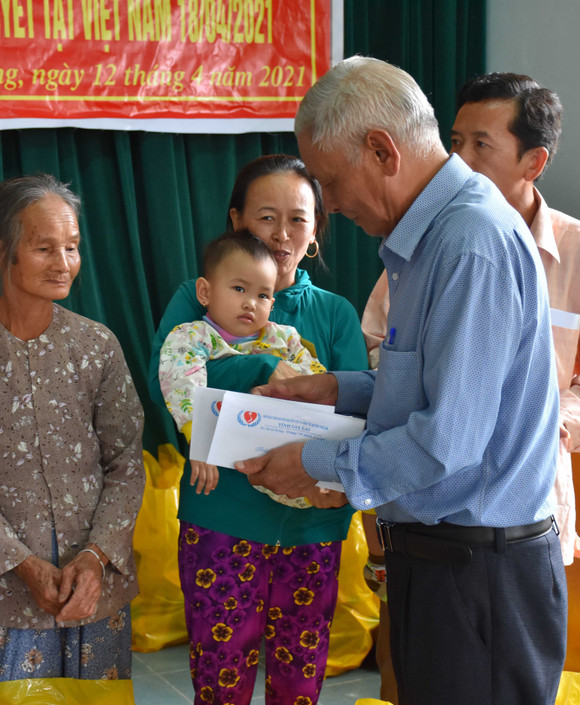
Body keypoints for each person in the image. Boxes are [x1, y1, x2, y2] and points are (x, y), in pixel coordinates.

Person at [236, 56, 567, 705]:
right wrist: (337, 389)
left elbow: (447, 440)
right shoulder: (428, 239)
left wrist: (313, 463)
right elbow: (431, 388)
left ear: (382, 150)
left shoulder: (469, 242)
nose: (330, 205)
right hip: (441, 562)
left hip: (480, 576)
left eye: (330, 182)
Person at [361, 71, 580, 703]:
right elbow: (384, 348)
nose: (458, 159)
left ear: (533, 161)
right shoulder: (427, 242)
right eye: (454, 140)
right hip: (430, 517)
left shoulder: (574, 252)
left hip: (522, 509)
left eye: (481, 145)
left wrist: (548, 408)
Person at [147, 154, 368, 705]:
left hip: (312, 525)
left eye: (298, 218)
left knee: (299, 682)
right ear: (236, 219)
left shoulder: (335, 313)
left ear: (316, 229)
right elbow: (172, 381)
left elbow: (354, 412)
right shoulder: (195, 297)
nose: (282, 234)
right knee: (221, 681)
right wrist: (266, 370)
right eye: (266, 217)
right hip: (221, 514)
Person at [0, 174, 145, 694]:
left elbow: (125, 462)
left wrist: (95, 558)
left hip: (96, 589)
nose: (63, 262)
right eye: (44, 247)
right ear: (0, 250)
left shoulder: (97, 345)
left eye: (72, 247)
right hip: (2, 593)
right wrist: (22, 565)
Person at [158, 228, 326, 503]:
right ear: (204, 292)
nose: (250, 303)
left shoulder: (284, 338)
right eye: (239, 289)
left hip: (299, 442)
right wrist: (200, 439)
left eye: (262, 296)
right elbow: (182, 380)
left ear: (272, 304)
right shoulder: (192, 336)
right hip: (248, 457)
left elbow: (318, 382)